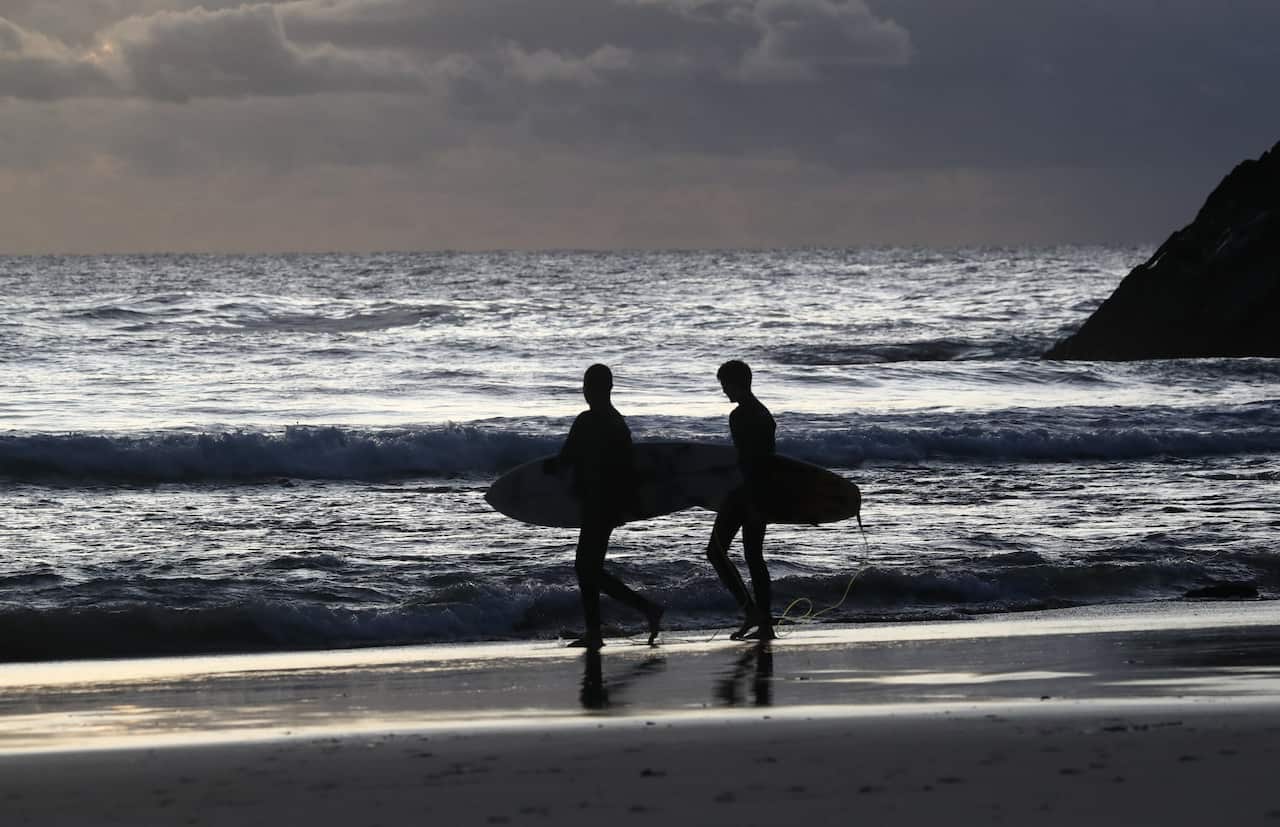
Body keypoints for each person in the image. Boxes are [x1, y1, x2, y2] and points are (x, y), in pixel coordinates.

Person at [548, 364, 663, 649]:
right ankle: (598, 629)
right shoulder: (617, 422)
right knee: (589, 567)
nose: (585, 391)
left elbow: (566, 458)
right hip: (611, 503)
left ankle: (642, 611)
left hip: (596, 502)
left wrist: (550, 471)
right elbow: (629, 469)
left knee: (586, 567)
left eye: (587, 386)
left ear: (591, 389)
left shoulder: (587, 420)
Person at [706, 359, 777, 640]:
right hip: (763, 492)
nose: (724, 391)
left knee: (715, 551)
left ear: (737, 384)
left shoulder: (740, 416)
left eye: (725, 385)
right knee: (754, 557)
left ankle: (751, 611)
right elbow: (766, 461)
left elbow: (747, 462)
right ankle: (765, 621)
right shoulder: (763, 413)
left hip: (747, 492)